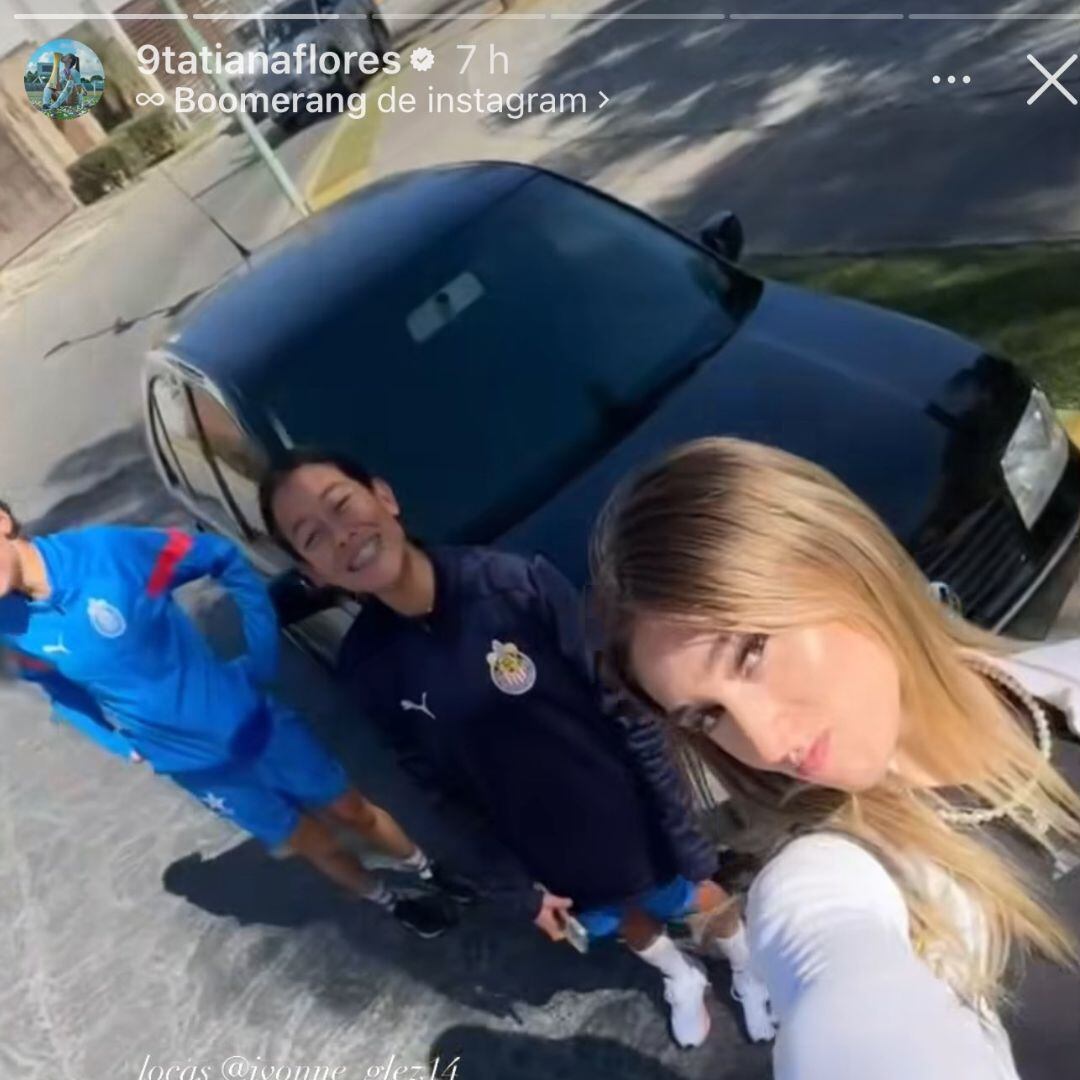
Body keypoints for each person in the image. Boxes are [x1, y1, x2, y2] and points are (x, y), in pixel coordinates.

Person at [590, 435, 1080, 1079]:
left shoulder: (1058, 685)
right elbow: (835, 981)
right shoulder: (827, 881)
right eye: (709, 717)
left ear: (840, 560)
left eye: (750, 654)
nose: (764, 745)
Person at [259, 450, 775, 1049]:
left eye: (342, 505)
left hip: (630, 817)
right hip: (547, 853)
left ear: (384, 496)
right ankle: (679, 975)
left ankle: (745, 964)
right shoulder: (368, 670)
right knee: (622, 923)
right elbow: (436, 791)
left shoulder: (510, 584)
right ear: (313, 572)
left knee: (698, 897)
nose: (342, 536)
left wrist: (681, 830)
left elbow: (626, 707)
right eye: (313, 537)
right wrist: (513, 885)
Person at [0, 512, 464, 938]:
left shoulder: (108, 553)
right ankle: (391, 902)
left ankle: (426, 869)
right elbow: (59, 691)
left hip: (253, 724)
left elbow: (221, 558)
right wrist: (122, 746)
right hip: (199, 770)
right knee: (313, 842)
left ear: (3, 521)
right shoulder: (8, 624)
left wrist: (261, 652)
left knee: (352, 811)